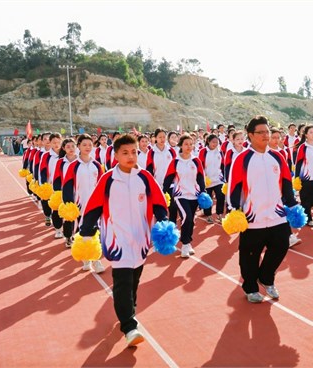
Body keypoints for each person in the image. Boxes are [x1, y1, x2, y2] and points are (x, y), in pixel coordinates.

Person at [78, 134, 169, 347]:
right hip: (117, 241)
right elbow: (93, 207)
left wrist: (164, 222)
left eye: (134, 152)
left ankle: (130, 310)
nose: (130, 156)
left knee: (134, 280)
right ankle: (128, 325)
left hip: (141, 239)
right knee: (122, 282)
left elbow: (158, 203)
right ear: (116, 155)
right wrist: (86, 232)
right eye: (125, 153)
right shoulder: (108, 179)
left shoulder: (144, 177)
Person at [226, 115, 298, 303]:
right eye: (261, 132)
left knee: (282, 245)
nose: (266, 135)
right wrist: (234, 210)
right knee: (250, 256)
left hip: (277, 214)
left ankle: (266, 278)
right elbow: (234, 187)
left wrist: (292, 205)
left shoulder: (277, 156)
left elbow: (286, 183)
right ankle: (250, 287)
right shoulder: (243, 158)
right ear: (250, 135)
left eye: (268, 131)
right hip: (252, 216)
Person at [62, 134, 106, 273]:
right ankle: (86, 259)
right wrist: (69, 204)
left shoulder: (97, 165)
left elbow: (102, 185)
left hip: (95, 204)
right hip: (79, 205)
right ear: (79, 146)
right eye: (84, 145)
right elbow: (67, 185)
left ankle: (97, 260)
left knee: (95, 231)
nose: (87, 147)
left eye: (90, 145)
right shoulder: (73, 166)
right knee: (81, 232)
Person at [163, 134, 207, 258]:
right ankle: (185, 243)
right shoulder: (176, 161)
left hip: (194, 194)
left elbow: (200, 177)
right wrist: (164, 193)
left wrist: (203, 191)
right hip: (180, 195)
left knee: (191, 220)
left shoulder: (196, 160)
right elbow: (168, 178)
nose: (189, 146)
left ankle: (188, 244)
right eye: (186, 144)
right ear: (181, 146)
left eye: (191, 144)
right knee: (186, 217)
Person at [269, 128, 301, 247]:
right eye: (274, 137)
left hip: (280, 189)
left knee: (282, 213)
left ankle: (290, 237)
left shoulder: (283, 152)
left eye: (278, 137)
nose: (277, 140)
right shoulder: (261, 154)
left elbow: (286, 171)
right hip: (266, 193)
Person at [199, 134, 225, 224]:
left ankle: (219, 214)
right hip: (207, 180)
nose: (215, 144)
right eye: (213, 142)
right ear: (208, 141)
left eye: (217, 142)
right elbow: (200, 165)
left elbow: (222, 165)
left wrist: (224, 176)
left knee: (221, 196)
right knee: (208, 199)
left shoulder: (220, 151)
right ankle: (209, 215)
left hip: (218, 179)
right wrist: (202, 177)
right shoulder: (203, 151)